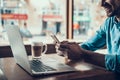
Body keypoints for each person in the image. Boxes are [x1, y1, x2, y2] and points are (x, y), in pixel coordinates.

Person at [57, 0, 120, 73]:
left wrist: (82, 54)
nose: (101, 4)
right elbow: (89, 45)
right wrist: (69, 49)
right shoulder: (110, 22)